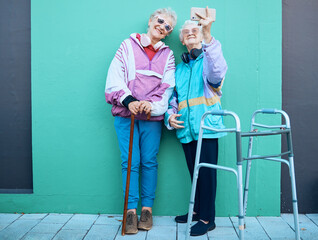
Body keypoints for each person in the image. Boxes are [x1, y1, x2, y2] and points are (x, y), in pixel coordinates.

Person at [105, 8, 177, 234]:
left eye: (168, 27)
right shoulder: (127, 46)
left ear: (168, 34)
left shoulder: (168, 55)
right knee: (130, 162)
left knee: (149, 162)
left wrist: (151, 106)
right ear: (150, 21)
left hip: (151, 119)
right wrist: (129, 101)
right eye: (160, 21)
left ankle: (146, 211)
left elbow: (167, 88)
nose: (162, 26)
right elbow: (114, 78)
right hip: (127, 116)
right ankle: (130, 212)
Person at [164, 7, 228, 236]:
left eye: (196, 30)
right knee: (195, 172)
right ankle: (196, 210)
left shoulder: (209, 61)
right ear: (181, 40)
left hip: (207, 128)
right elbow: (172, 99)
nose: (191, 32)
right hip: (186, 130)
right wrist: (169, 117)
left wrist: (209, 35)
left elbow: (217, 73)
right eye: (187, 31)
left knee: (207, 174)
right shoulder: (179, 68)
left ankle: (208, 219)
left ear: (201, 36)